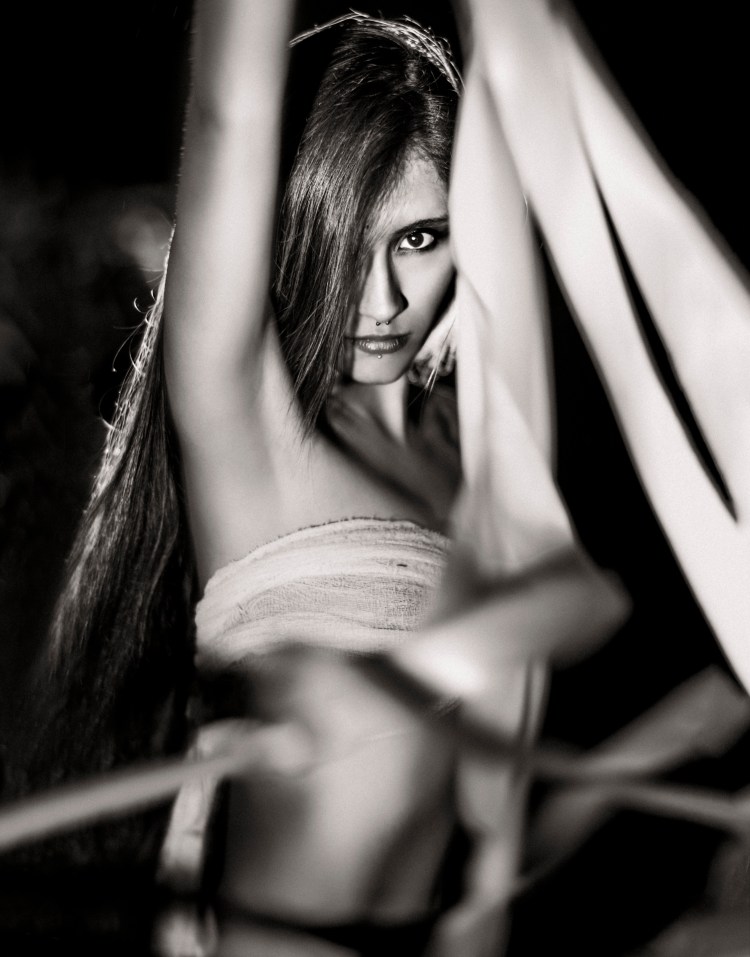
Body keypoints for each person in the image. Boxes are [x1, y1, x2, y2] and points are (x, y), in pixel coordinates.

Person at [17, 2, 626, 954]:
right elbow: (229, 108)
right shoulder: (248, 418)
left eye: (420, 238)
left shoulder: (470, 453)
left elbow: (467, 821)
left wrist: (683, 731)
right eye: (345, 241)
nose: (382, 301)